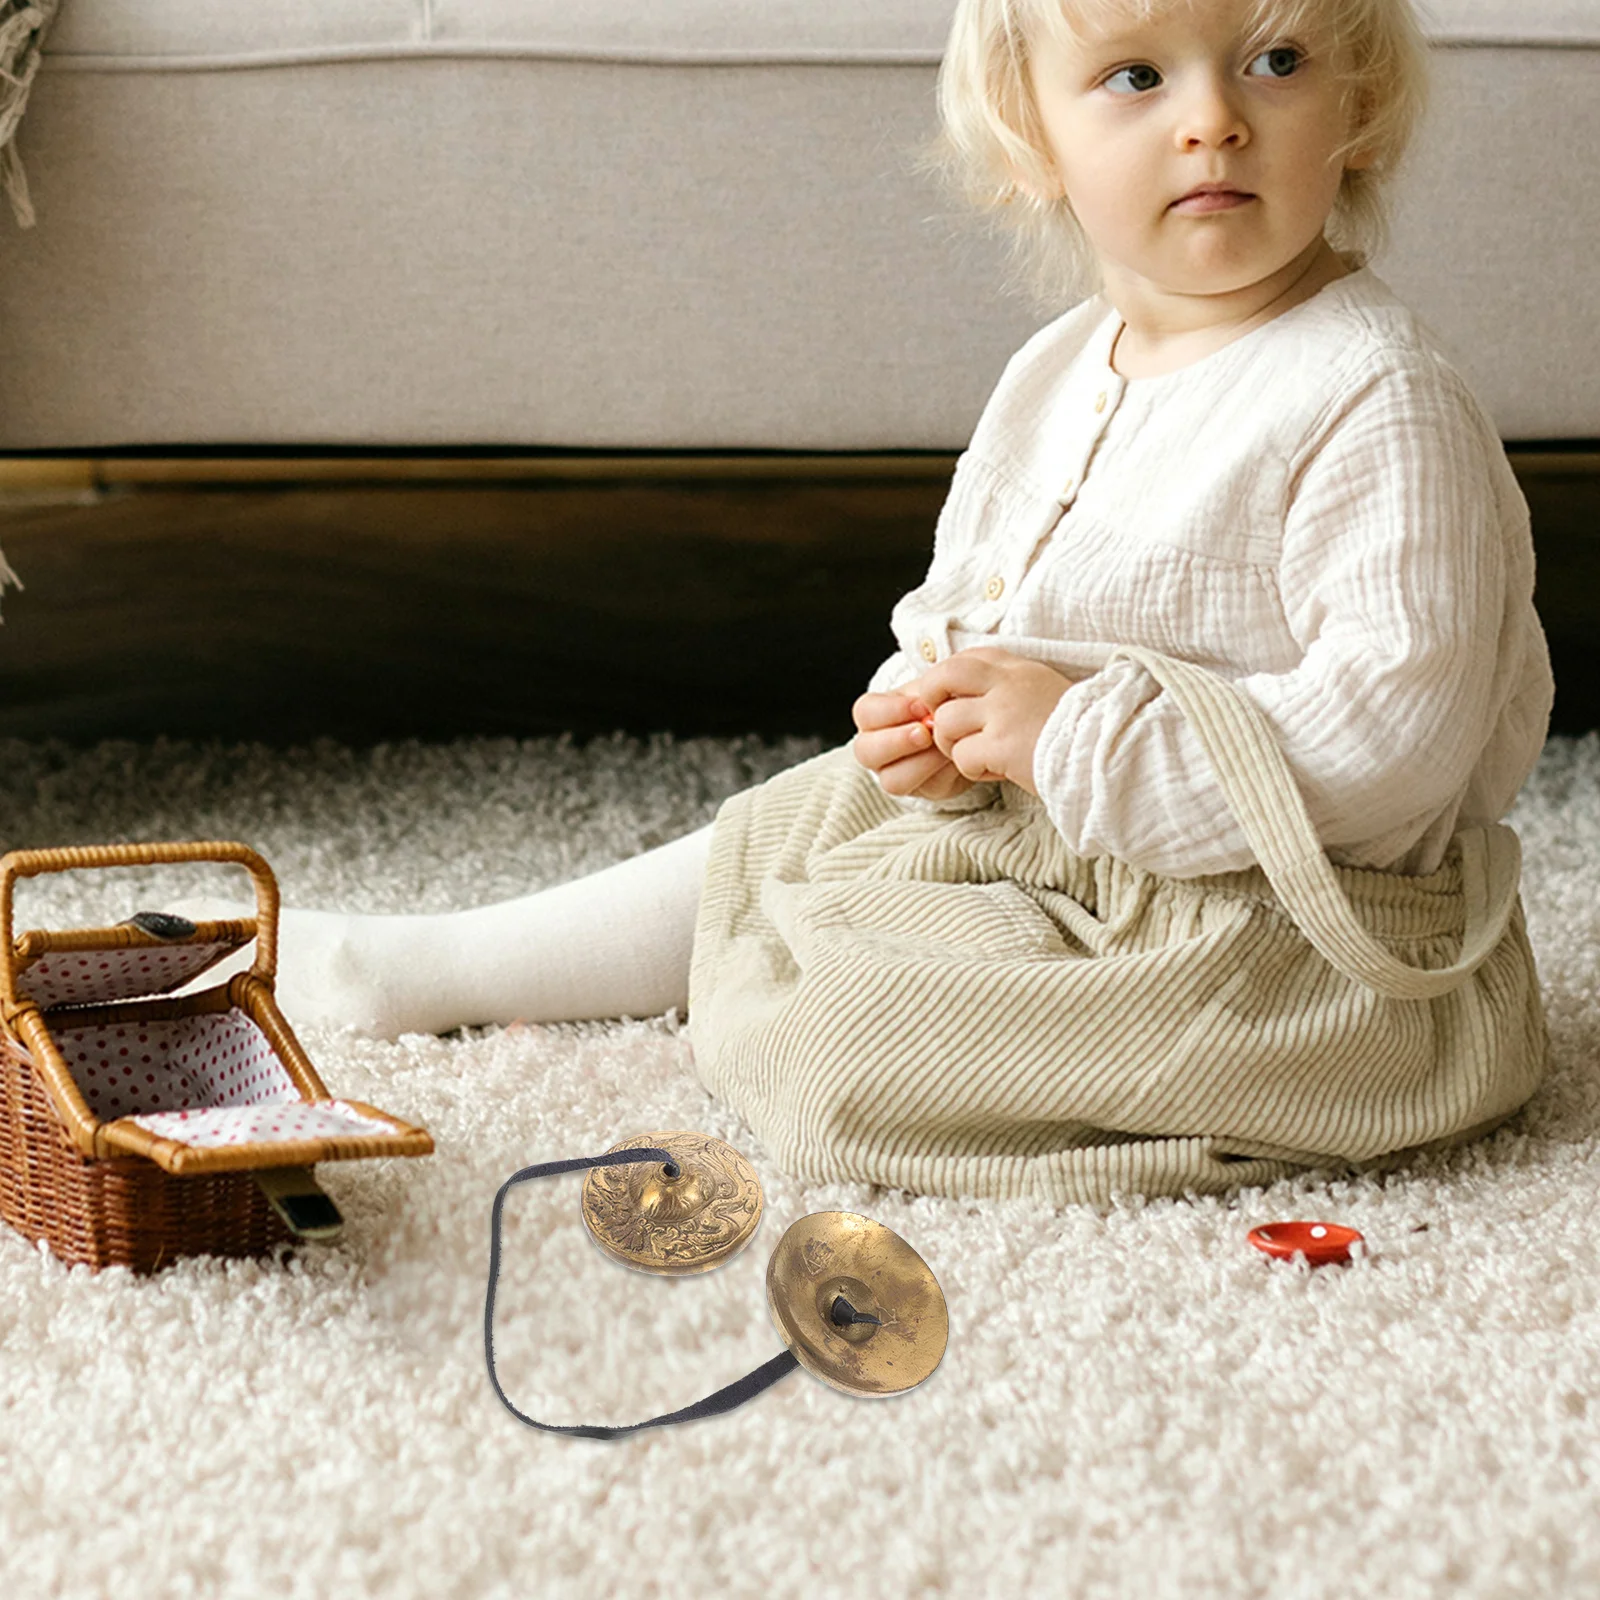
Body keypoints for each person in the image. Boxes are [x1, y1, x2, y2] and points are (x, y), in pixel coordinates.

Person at [184, 0, 1554, 1206]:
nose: (1212, 124)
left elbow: (1394, 754)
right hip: (1059, 837)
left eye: (1273, 60)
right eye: (1138, 77)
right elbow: (980, 584)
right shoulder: (1064, 364)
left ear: (1357, 109)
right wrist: (937, 703)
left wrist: (1067, 739)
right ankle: (437, 967)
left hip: (1293, 929)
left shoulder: (1377, 397)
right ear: (1035, 138)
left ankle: (850, 1004)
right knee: (794, 827)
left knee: (843, 1047)